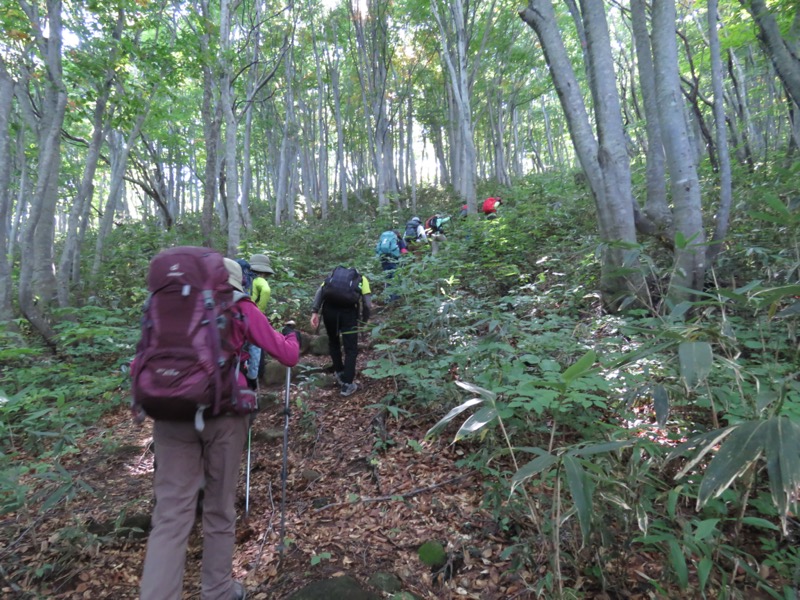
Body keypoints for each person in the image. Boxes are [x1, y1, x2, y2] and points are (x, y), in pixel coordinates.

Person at [139, 258, 299, 600]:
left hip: (168, 413)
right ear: (237, 281)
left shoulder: (164, 306)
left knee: (170, 515)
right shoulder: (241, 307)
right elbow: (287, 356)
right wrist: (292, 335)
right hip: (224, 413)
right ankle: (218, 590)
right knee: (219, 505)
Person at [309, 268, 372, 397]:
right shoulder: (362, 278)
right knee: (351, 348)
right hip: (348, 313)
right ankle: (347, 384)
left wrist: (314, 312)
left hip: (329, 311)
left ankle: (339, 373)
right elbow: (367, 303)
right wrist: (364, 320)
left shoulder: (333, 275)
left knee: (333, 341)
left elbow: (320, 292)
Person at [245, 254, 276, 388]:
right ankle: (252, 377)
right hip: (252, 317)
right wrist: (260, 310)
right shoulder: (259, 280)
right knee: (255, 346)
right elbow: (266, 290)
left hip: (238, 316)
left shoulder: (243, 278)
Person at [375, 230, 407, 302]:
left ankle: (387, 299)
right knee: (395, 278)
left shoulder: (384, 239)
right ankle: (395, 299)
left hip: (384, 261)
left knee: (387, 279)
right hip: (394, 261)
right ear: (398, 234)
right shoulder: (399, 240)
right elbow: (404, 251)